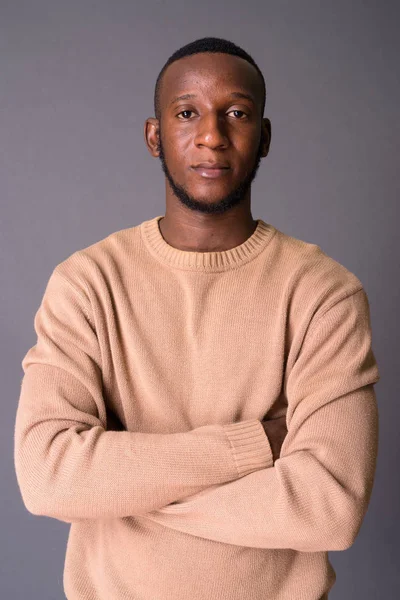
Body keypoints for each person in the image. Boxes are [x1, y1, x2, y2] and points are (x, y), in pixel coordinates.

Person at [14, 36, 380, 600]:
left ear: (264, 139)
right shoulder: (86, 284)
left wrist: (125, 492)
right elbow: (46, 476)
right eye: (187, 113)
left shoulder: (324, 293)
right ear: (154, 136)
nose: (212, 135)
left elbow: (328, 509)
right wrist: (257, 446)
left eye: (236, 113)